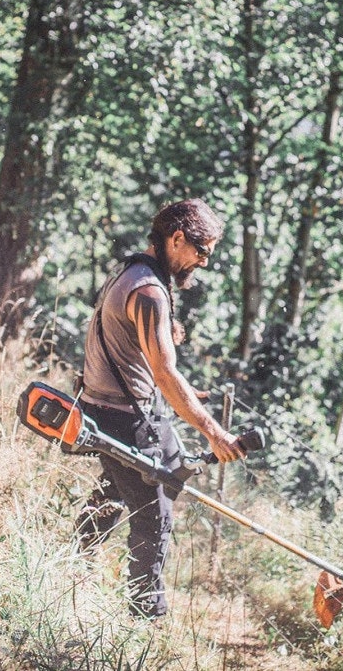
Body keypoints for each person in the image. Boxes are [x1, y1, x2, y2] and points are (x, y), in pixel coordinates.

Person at [75, 198, 246, 619]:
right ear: (177, 238)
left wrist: (178, 390)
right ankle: (144, 619)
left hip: (105, 408)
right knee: (155, 516)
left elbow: (139, 356)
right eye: (201, 250)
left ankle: (70, 574)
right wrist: (214, 433)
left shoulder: (129, 270)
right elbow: (166, 374)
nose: (203, 262)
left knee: (115, 494)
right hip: (126, 418)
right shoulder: (150, 291)